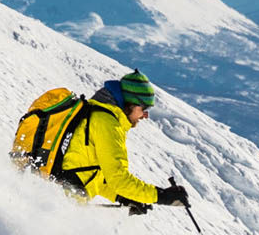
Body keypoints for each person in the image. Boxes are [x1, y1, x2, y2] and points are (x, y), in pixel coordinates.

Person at [51, 69, 189, 215]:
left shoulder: (99, 116)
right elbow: (119, 179)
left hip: (57, 199)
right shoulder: (107, 124)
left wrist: (122, 197)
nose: (145, 115)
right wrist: (162, 196)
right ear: (133, 104)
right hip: (59, 206)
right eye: (144, 109)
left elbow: (90, 174)